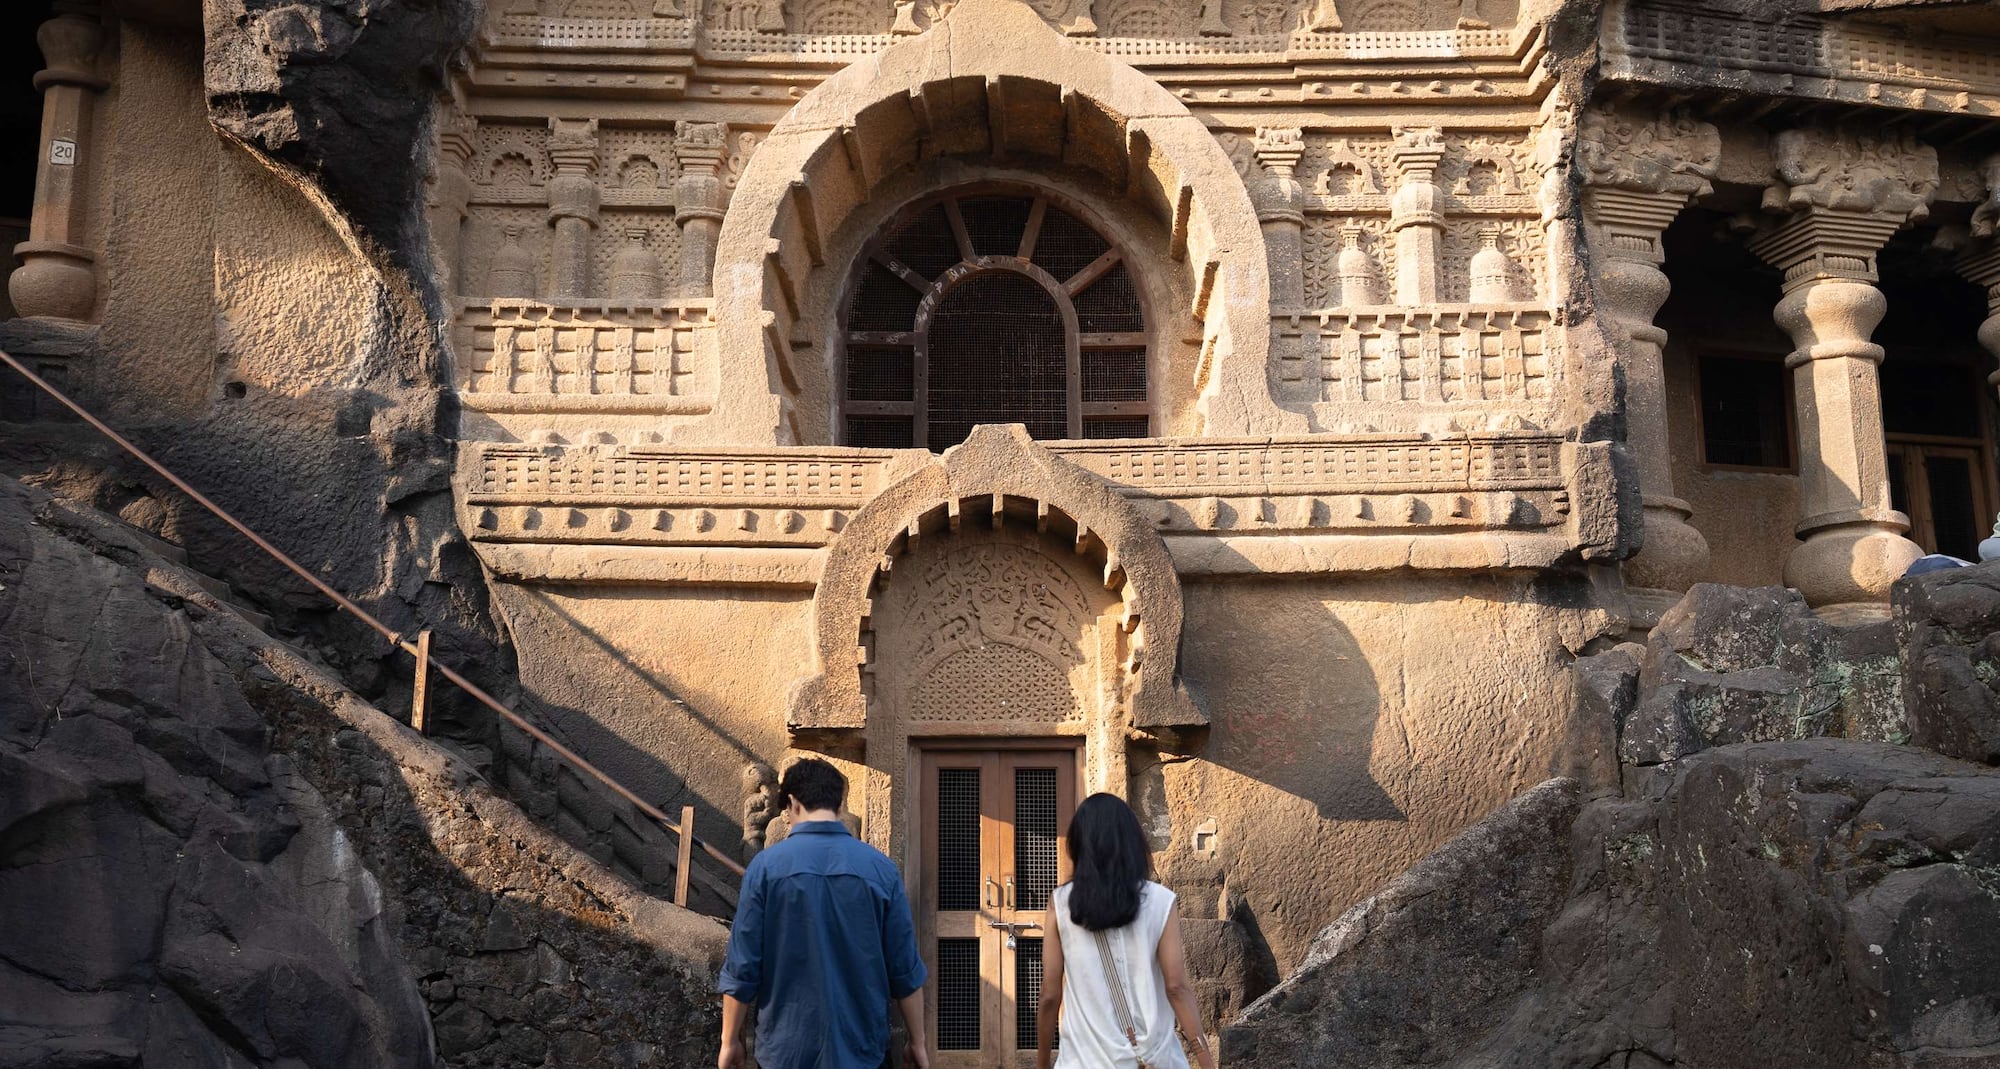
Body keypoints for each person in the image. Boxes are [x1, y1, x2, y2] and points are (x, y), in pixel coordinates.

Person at [718, 758, 931, 1069]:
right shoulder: (880, 869)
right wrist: (918, 1041)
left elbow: (742, 968)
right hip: (863, 1050)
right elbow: (905, 969)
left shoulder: (765, 869)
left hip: (785, 1050)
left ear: (790, 803)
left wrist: (729, 1041)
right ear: (840, 804)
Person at [1035, 794, 1219, 1069]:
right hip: (1154, 1060)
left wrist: (1041, 1063)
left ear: (1078, 844)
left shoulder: (1061, 903)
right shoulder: (1160, 900)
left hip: (1084, 1061)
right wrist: (1206, 1062)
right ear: (1132, 842)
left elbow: (1050, 995)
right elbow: (1177, 987)